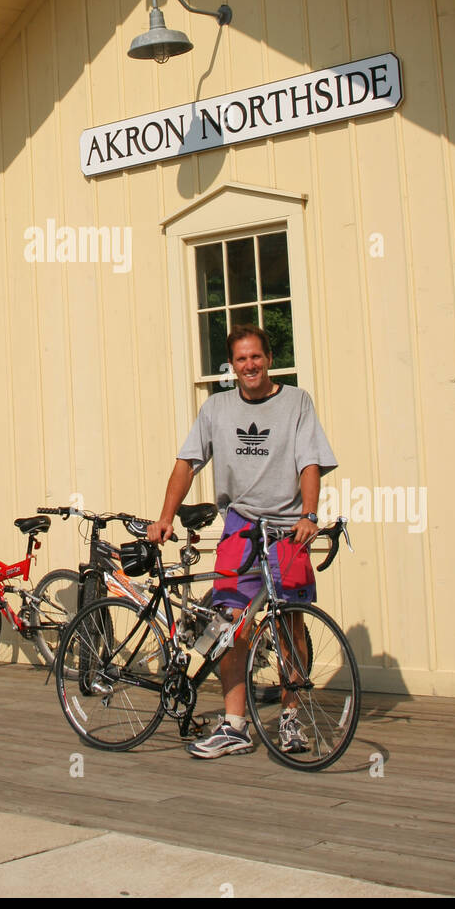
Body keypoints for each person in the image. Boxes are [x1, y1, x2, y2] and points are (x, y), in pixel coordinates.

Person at [147, 324, 337, 757]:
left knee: (290, 623)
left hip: (288, 527)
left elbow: (310, 462)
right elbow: (186, 463)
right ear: (231, 367)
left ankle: (290, 719)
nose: (249, 365)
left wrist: (309, 515)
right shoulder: (216, 408)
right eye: (240, 359)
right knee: (229, 625)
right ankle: (235, 725)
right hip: (241, 524)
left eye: (256, 357)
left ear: (269, 359)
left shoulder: (296, 403)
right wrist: (164, 517)